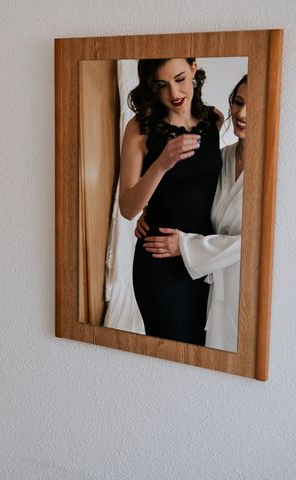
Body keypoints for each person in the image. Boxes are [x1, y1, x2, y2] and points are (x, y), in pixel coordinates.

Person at [118, 58, 223, 345]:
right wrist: (162, 163)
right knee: (171, 352)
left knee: (206, 349)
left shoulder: (214, 120)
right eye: (161, 85)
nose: (173, 93)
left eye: (179, 79)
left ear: (193, 68)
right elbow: (127, 208)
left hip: (204, 258)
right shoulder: (140, 128)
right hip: (160, 265)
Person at [140, 75, 248, 352]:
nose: (242, 113)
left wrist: (186, 246)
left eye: (254, 106)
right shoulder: (222, 159)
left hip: (242, 289)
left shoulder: (276, 172)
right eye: (238, 102)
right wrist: (151, 211)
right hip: (200, 281)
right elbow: (190, 192)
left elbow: (259, 243)